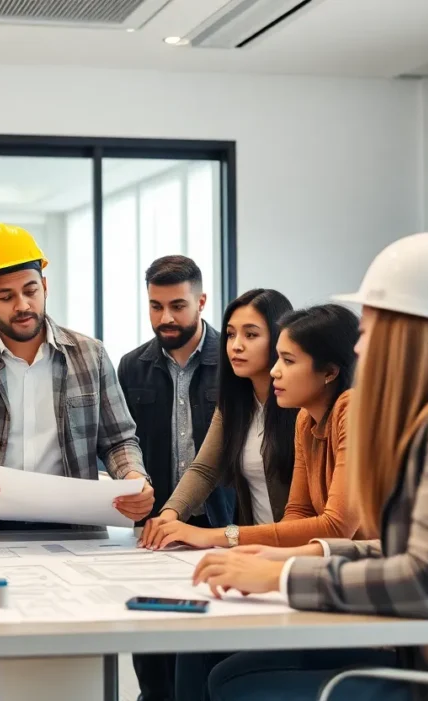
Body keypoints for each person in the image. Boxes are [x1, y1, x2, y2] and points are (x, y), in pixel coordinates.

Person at [190, 232, 428, 700]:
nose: (358, 347)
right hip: (425, 655)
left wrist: (283, 576)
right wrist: (289, 557)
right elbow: (404, 553)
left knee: (244, 687)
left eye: (370, 329)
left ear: (412, 328)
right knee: (226, 676)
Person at [0, 222, 154, 701]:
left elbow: (119, 439)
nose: (22, 305)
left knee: (73, 652)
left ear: (45, 285)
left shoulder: (89, 355)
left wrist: (133, 476)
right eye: (5, 295)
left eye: (30, 290)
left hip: (72, 531)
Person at [133, 288, 299, 701]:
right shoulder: (238, 400)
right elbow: (205, 468)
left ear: (280, 339)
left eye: (251, 334)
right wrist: (171, 513)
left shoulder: (303, 408)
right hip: (252, 553)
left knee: (213, 665)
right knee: (190, 647)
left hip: (287, 558)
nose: (236, 345)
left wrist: (215, 536)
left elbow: (313, 524)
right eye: (229, 334)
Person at [116, 255, 238, 701]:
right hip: (154, 529)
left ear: (201, 301)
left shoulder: (232, 360)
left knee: (211, 649)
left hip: (221, 523)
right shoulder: (131, 367)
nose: (165, 318)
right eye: (155, 306)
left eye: (177, 306)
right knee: (152, 652)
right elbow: (120, 442)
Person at [143, 304, 361, 550]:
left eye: (288, 361)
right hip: (330, 565)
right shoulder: (305, 418)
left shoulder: (352, 409)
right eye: (230, 334)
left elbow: (337, 527)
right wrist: (266, 557)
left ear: (330, 372)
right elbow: (298, 512)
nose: (276, 371)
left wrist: (217, 536)